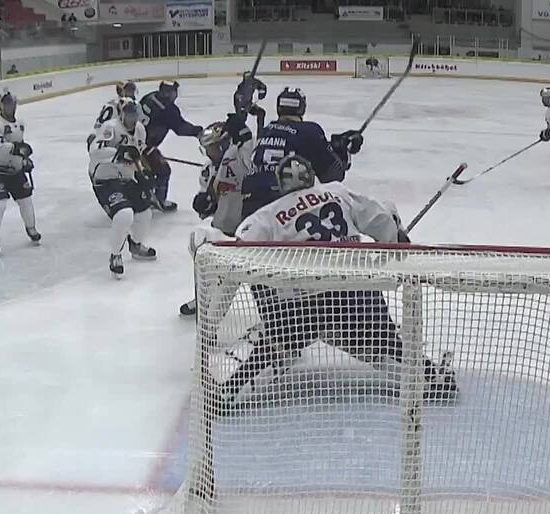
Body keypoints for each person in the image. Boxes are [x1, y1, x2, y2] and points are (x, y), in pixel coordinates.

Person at [211, 154, 456, 412]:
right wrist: (396, 239)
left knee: (273, 345)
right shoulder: (337, 191)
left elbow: (239, 253)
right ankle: (431, 376)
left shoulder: (266, 216)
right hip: (354, 290)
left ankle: (231, 390)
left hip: (303, 303)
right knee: (385, 340)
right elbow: (379, 217)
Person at [242, 87, 362, 218]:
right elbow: (332, 176)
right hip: (282, 206)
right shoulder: (309, 131)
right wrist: (344, 151)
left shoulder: (266, 130)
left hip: (249, 204)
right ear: (302, 108)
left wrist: (332, 147)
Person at [182, 114, 257, 316]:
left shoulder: (240, 156)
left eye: (211, 147)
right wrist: (203, 203)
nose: (208, 153)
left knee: (248, 275)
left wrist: (245, 134)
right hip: (223, 223)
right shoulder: (209, 168)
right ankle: (203, 298)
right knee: (201, 254)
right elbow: (208, 196)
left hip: (248, 225)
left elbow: (250, 157)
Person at [88, 98, 158, 278]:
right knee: (124, 214)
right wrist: (118, 152)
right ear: (121, 114)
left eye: (134, 114)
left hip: (127, 178)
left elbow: (135, 157)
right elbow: (94, 151)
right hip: (105, 179)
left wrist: (141, 174)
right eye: (128, 114)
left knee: (144, 213)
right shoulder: (110, 128)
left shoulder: (140, 130)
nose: (132, 117)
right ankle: (115, 255)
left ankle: (135, 245)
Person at [0, 91, 42, 257]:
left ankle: (31, 228)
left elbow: (20, 146)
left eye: (13, 102)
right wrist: (17, 149)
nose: (11, 106)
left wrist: (23, 161)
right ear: (0, 105)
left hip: (15, 170)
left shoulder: (20, 124)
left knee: (26, 201)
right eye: (7, 103)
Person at [139, 80, 203, 211]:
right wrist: (198, 131)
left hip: (133, 141)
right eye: (174, 92)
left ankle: (146, 192)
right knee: (163, 170)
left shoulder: (149, 97)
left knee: (147, 170)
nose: (176, 95)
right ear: (167, 93)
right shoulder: (168, 109)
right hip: (145, 147)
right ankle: (158, 200)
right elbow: (180, 128)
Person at [88, 80, 130, 149]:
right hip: (106, 140)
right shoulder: (123, 102)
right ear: (123, 91)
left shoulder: (111, 101)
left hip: (95, 137)